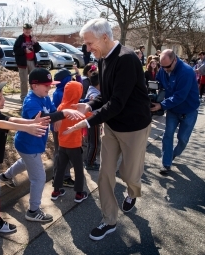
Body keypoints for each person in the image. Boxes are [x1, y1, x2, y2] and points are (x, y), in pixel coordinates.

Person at [65, 18, 151, 240]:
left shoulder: (127, 59)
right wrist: (88, 105)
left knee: (130, 175)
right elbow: (106, 96)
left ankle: (133, 192)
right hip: (112, 126)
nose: (87, 48)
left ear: (104, 37)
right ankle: (109, 220)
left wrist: (87, 121)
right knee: (105, 175)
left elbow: (118, 102)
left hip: (134, 127)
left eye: (89, 42)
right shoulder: (102, 59)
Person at [0, 68, 85, 222]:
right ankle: (33, 210)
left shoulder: (45, 97)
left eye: (50, 84)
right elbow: (43, 117)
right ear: (34, 86)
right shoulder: (31, 101)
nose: (49, 87)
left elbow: (53, 111)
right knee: (39, 178)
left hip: (33, 144)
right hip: (28, 144)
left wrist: (58, 115)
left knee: (25, 162)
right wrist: (62, 114)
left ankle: (6, 176)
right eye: (46, 85)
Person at [0, 79, 50, 233]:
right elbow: (6, 124)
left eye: (3, 95)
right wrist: (28, 128)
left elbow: (11, 119)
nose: (3, 99)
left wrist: (30, 122)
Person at [151, 49, 200, 174]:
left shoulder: (187, 72)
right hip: (173, 110)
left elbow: (180, 96)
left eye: (167, 66)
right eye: (162, 66)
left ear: (175, 60)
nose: (164, 69)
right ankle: (166, 163)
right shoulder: (163, 68)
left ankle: (172, 154)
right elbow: (160, 81)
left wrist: (161, 105)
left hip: (189, 111)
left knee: (182, 139)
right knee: (167, 135)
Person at [51, 81, 91, 202]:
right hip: (74, 145)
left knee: (60, 168)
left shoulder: (61, 107)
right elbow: (90, 116)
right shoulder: (77, 108)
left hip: (62, 145)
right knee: (78, 170)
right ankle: (79, 193)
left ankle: (56, 191)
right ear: (78, 93)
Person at [51, 66, 82, 187]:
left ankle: (61, 176)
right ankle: (61, 177)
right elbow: (77, 92)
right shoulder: (61, 94)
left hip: (61, 127)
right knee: (61, 154)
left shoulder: (62, 91)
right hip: (62, 128)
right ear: (66, 80)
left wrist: (79, 76)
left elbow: (78, 89)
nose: (73, 79)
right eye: (71, 77)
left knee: (61, 153)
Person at [13, 23, 41, 103]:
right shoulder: (20, 39)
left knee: (34, 80)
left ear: (31, 30)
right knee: (24, 81)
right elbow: (15, 50)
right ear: (23, 30)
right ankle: (24, 98)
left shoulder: (32, 38)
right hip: (23, 63)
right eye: (26, 29)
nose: (27, 31)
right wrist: (24, 51)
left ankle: (34, 96)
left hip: (32, 61)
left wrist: (35, 42)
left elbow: (38, 49)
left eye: (29, 29)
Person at [84, 67, 101, 171]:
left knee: (92, 142)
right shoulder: (94, 94)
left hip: (91, 120)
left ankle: (90, 160)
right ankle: (90, 162)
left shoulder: (92, 89)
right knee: (94, 143)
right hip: (93, 120)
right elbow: (95, 109)